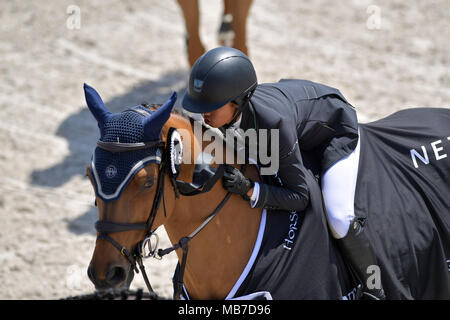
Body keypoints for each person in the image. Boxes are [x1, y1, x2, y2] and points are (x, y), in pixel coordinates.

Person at [181, 46, 386, 300]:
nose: (204, 114)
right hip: (296, 111)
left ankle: (374, 288)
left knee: (339, 216)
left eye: (212, 106)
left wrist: (250, 189)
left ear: (237, 101)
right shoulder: (225, 116)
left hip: (335, 128)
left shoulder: (272, 125)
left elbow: (300, 197)